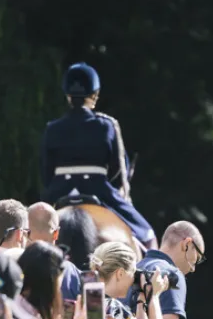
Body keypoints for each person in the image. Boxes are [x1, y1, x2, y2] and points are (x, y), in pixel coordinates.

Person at [39, 63, 156, 248]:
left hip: (58, 190)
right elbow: (119, 170)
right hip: (98, 189)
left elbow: (46, 171)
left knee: (23, 231)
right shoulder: (107, 125)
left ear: (68, 96)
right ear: (94, 95)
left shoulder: (52, 128)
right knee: (148, 236)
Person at [126, 221, 203, 319]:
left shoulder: (133, 270)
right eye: (197, 258)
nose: (193, 268)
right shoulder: (172, 274)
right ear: (187, 244)